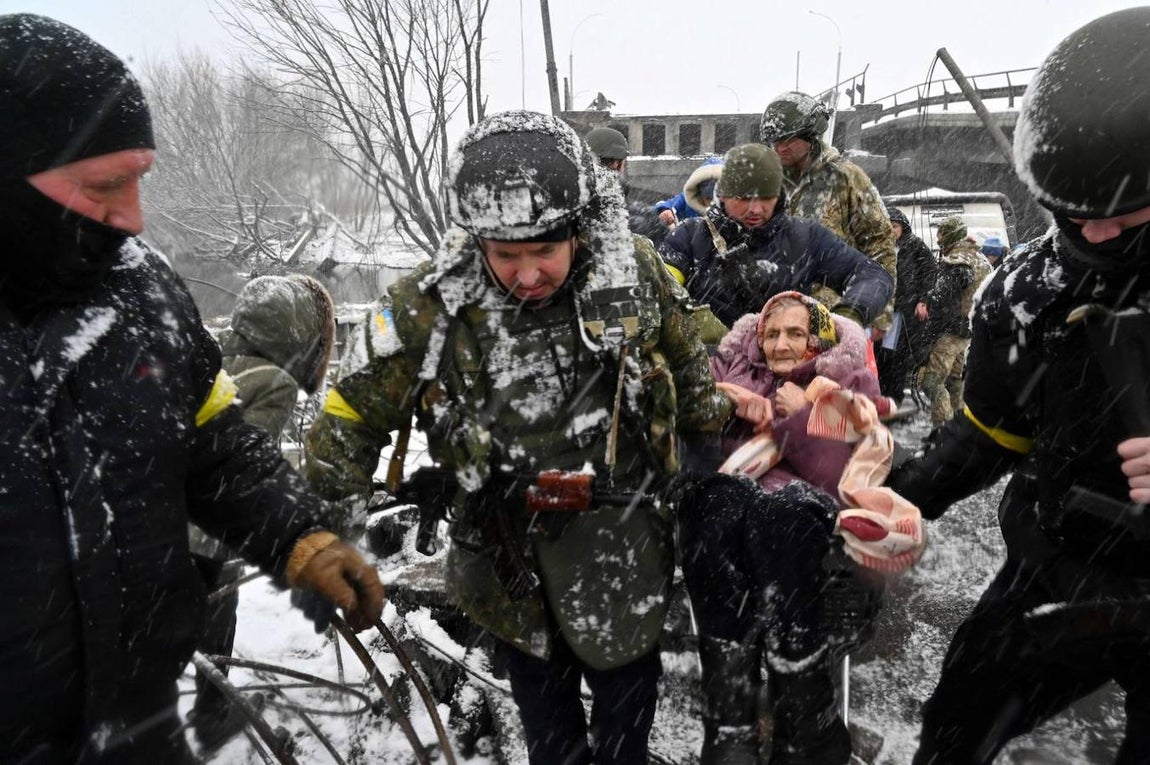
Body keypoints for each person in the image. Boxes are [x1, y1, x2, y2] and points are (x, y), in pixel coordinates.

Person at [0, 15, 384, 764]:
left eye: (139, 179)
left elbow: (216, 446)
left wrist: (298, 533)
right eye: (104, 187)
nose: (135, 218)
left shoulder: (140, 290)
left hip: (139, 728)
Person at [304, 110, 733, 765]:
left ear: (579, 233)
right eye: (506, 255)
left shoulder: (630, 273)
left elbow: (691, 376)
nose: (528, 274)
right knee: (550, 737)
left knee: (626, 729)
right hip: (509, 565)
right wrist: (322, 537)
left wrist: (700, 481)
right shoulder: (433, 300)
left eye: (545, 252)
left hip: (625, 552)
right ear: (476, 240)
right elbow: (348, 415)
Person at [888, 8, 1150, 762]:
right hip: (1058, 566)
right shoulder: (1030, 288)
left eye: (1123, 214)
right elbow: (992, 428)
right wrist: (904, 498)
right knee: (955, 729)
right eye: (1074, 213)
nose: (1095, 236)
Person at [680, 291, 919, 764]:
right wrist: (725, 402)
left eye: (796, 333)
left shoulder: (848, 382)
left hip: (810, 528)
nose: (781, 344)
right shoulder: (732, 374)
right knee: (714, 503)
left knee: (783, 514)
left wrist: (799, 419)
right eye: (770, 334)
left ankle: (804, 725)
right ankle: (731, 725)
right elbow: (694, 449)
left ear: (819, 340)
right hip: (733, 519)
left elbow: (838, 476)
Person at [186, 273, 337, 750]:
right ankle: (211, 713)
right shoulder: (274, 381)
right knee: (218, 608)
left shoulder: (218, 359)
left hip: (169, 516)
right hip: (210, 529)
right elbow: (248, 464)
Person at [658, 142, 893, 329]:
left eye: (766, 197)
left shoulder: (805, 237)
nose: (756, 209)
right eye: (744, 198)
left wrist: (848, 316)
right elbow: (658, 289)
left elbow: (872, 275)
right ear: (723, 195)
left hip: (785, 372)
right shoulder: (689, 238)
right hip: (711, 375)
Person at [759, 91, 898, 334]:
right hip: (775, 316)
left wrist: (879, 311)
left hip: (833, 317)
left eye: (787, 139)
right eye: (774, 141)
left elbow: (879, 242)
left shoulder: (846, 178)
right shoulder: (768, 182)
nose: (779, 147)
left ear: (810, 136)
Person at [918, 216, 991, 427]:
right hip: (970, 332)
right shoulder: (981, 259)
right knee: (955, 380)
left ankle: (944, 429)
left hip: (950, 333)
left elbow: (941, 301)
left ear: (949, 235)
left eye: (941, 233)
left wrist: (929, 335)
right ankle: (960, 425)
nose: (938, 238)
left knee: (932, 382)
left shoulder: (955, 263)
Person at [877, 205, 938, 404]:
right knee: (879, 354)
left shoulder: (915, 246)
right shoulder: (879, 247)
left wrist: (923, 300)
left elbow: (930, 274)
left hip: (901, 311)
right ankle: (878, 393)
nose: (892, 230)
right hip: (880, 309)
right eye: (888, 226)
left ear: (902, 227)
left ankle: (892, 397)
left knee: (894, 355)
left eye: (895, 226)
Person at [584, 124, 666, 243]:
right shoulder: (590, 189)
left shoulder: (589, 189)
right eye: (623, 162)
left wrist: (656, 212)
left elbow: (622, 209)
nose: (617, 166)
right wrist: (655, 226)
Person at [654, 156, 724, 227]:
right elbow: (667, 204)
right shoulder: (688, 199)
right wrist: (665, 211)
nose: (712, 203)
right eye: (708, 198)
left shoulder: (731, 206)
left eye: (716, 198)